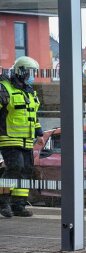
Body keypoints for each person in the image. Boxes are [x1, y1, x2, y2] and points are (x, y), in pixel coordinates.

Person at [0, 56, 44, 218]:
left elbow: (33, 116)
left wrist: (39, 134)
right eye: (30, 72)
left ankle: (18, 204)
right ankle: (3, 201)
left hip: (26, 139)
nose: (32, 76)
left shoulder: (29, 91)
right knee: (15, 168)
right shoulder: (4, 88)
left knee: (26, 170)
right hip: (9, 138)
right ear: (21, 71)